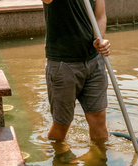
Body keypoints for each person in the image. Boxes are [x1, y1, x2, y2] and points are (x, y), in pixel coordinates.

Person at [42, 0, 111, 142]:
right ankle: (58, 160)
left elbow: (100, 16)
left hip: (93, 61)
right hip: (63, 63)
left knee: (99, 119)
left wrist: (99, 40)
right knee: (62, 124)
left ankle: (100, 161)